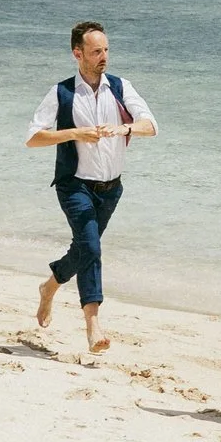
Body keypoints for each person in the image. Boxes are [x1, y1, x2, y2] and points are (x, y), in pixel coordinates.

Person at [25, 20, 157, 355]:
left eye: (106, 50)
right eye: (96, 51)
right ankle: (93, 326)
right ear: (77, 53)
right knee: (92, 249)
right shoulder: (62, 92)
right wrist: (74, 133)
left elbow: (151, 126)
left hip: (111, 189)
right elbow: (33, 137)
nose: (103, 57)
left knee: (84, 249)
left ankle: (50, 286)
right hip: (74, 186)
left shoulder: (120, 87)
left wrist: (124, 129)